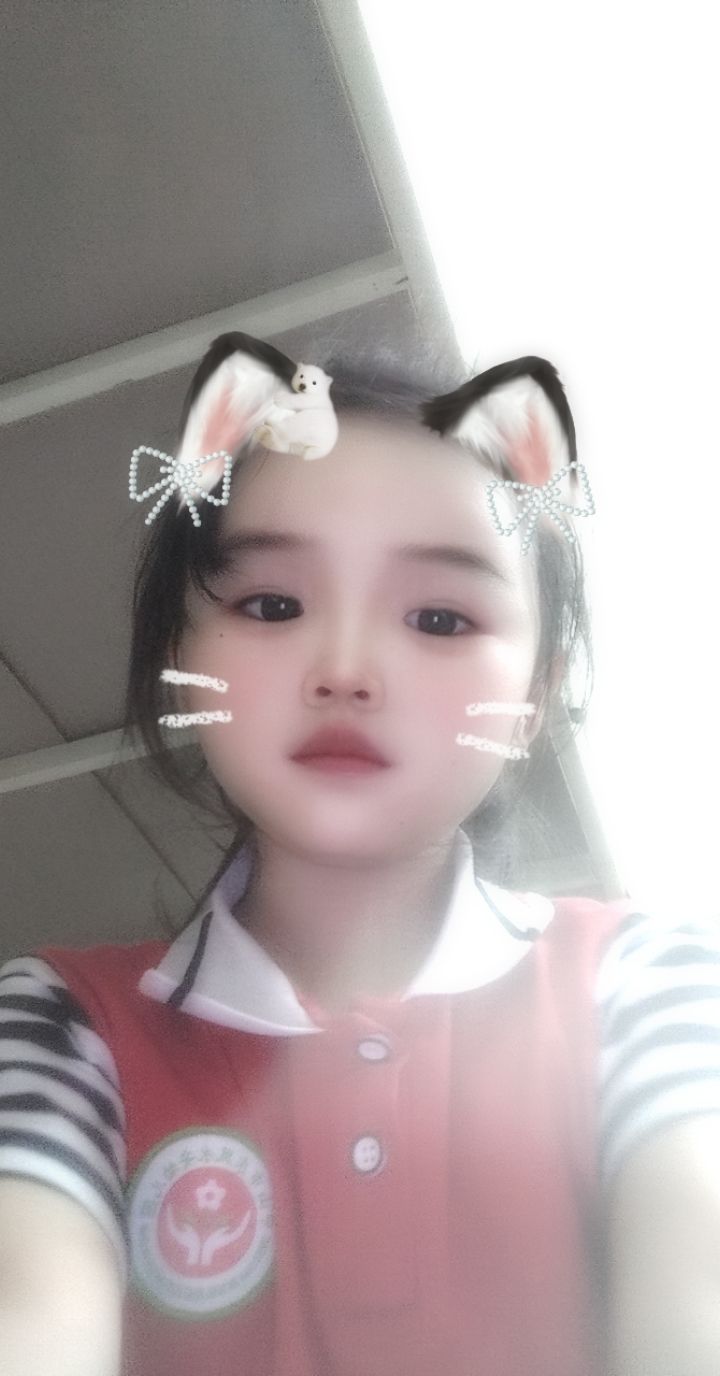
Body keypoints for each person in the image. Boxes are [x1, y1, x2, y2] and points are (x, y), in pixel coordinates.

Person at [1, 332, 720, 1376]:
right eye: (272, 605)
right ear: (182, 655)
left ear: (533, 694)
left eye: (439, 617)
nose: (345, 668)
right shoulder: (60, 1023)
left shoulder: (647, 984)